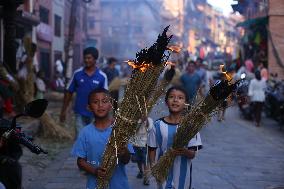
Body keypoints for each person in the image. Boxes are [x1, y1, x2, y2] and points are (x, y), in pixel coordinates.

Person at [71, 88, 133, 189]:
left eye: (104, 101)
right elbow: (80, 161)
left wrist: (123, 151)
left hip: (119, 185)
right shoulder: (85, 132)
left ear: (111, 104)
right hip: (95, 185)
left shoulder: (119, 129)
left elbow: (126, 160)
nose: (100, 105)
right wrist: (95, 171)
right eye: (95, 102)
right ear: (89, 107)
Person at [148, 86, 202, 189]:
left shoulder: (190, 126)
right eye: (171, 97)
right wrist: (153, 167)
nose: (175, 100)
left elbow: (192, 154)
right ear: (166, 102)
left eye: (180, 98)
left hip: (183, 178)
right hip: (163, 176)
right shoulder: (157, 125)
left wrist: (183, 151)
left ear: (186, 104)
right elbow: (152, 148)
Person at [60, 47, 108, 137]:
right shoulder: (77, 74)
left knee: (93, 139)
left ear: (95, 59)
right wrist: (63, 111)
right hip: (79, 113)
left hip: (95, 114)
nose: (86, 60)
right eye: (85, 58)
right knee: (80, 138)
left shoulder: (102, 76)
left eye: (89, 58)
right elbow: (69, 92)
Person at [130, 115, 153, 185]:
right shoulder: (134, 119)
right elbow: (133, 130)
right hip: (135, 144)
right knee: (138, 160)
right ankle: (141, 171)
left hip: (145, 144)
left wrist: (146, 121)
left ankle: (146, 178)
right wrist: (140, 122)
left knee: (146, 161)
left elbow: (150, 129)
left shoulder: (149, 120)